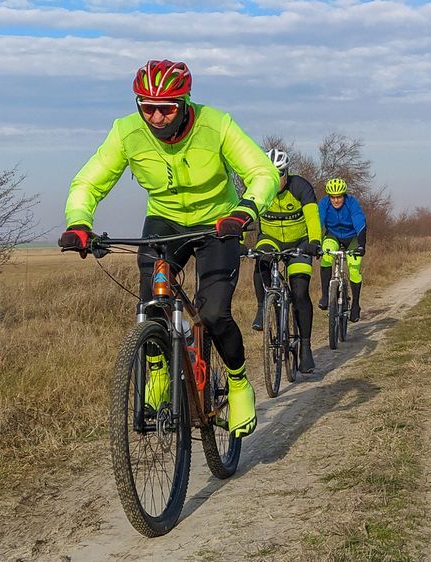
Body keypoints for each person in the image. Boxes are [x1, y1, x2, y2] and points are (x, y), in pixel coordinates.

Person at [58, 59, 279, 437]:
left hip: (218, 224)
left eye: (166, 108)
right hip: (164, 222)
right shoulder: (126, 133)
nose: (157, 117)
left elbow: (263, 172)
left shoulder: (217, 125)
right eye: (148, 108)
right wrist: (79, 221)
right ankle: (158, 370)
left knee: (213, 313)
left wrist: (244, 211)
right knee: (151, 304)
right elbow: (89, 181)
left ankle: (240, 382)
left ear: (185, 103)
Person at [251, 148, 322, 373]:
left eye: (279, 174)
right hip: (270, 238)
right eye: (271, 174)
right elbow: (245, 215)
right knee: (261, 260)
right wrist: (239, 242)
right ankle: (263, 306)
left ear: (286, 172)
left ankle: (305, 347)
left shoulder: (300, 187)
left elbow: (312, 216)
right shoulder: (259, 189)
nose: (276, 179)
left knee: (300, 291)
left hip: (299, 242)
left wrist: (314, 241)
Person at [317, 178, 367, 322]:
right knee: (326, 256)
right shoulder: (324, 203)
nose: (336, 200)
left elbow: (359, 222)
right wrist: (315, 243)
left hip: (352, 238)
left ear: (344, 195)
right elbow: (319, 221)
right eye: (333, 197)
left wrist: (361, 245)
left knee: (354, 270)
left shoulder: (352, 203)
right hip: (333, 236)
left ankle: (356, 305)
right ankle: (326, 295)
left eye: (339, 197)